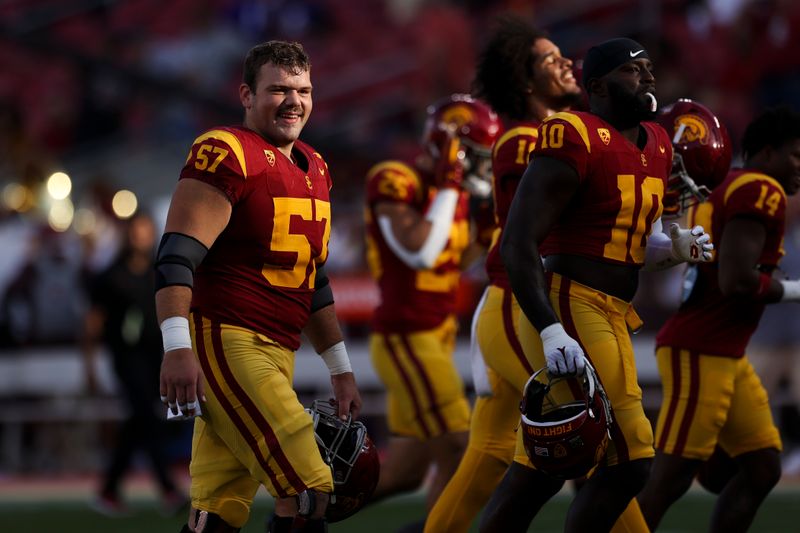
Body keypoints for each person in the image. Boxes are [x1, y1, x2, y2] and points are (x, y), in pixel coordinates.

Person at [480, 38, 713, 532]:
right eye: (634, 71)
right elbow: (518, 241)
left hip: (612, 310)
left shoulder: (657, 142)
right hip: (570, 302)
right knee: (631, 457)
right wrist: (548, 328)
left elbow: (624, 249)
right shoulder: (573, 133)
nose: (648, 78)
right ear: (598, 87)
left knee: (541, 472)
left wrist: (673, 249)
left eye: (651, 69)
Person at [155, 40, 362, 533]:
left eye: (303, 90)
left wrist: (341, 368)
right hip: (229, 340)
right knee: (312, 487)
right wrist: (177, 347)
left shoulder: (316, 167)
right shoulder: (226, 152)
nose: (294, 101)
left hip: (277, 349)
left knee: (218, 511)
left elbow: (313, 279)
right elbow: (175, 258)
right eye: (279, 90)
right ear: (246, 94)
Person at [423, 17, 583, 533]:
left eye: (563, 54)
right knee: (595, 440)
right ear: (524, 80)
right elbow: (538, 237)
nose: (565, 62)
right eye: (548, 58)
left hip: (518, 303)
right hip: (518, 303)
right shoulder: (524, 142)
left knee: (491, 450)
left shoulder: (552, 134)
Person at [637, 107, 800, 532]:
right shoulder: (761, 188)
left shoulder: (729, 183)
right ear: (767, 151)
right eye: (796, 155)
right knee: (668, 478)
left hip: (724, 350)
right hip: (701, 348)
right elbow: (737, 281)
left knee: (762, 465)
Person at [363, 93, 500, 523]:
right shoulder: (395, 179)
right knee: (462, 448)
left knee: (404, 472)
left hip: (434, 337)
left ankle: (302, 518)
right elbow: (420, 249)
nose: (484, 165)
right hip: (408, 336)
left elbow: (452, 261)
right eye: (476, 156)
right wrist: (450, 186)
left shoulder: (454, 197)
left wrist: (488, 223)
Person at [83, 211, 187, 517]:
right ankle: (168, 489)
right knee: (146, 416)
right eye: (135, 230)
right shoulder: (111, 275)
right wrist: (88, 367)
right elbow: (93, 323)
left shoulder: (159, 272)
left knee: (138, 421)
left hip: (155, 356)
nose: (139, 236)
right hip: (126, 358)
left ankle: (108, 490)